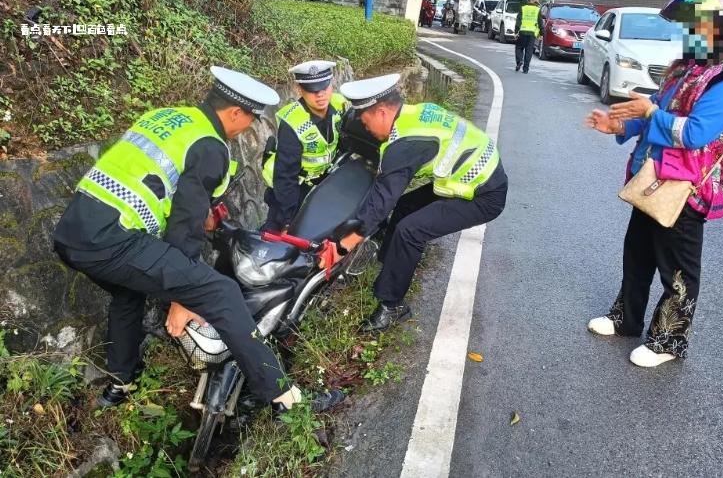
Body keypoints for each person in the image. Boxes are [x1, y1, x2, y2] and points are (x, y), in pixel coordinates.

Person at [53, 66, 344, 412]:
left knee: (127, 293)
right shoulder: (210, 145)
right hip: (111, 240)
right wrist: (183, 294)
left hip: (73, 234)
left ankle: (121, 381)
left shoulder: (166, 118)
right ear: (234, 112)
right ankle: (285, 399)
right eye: (250, 118)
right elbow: (185, 225)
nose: (247, 127)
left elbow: (167, 185)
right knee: (221, 292)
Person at [584, 0, 723, 367]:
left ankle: (667, 341)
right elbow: (657, 112)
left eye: (698, 25)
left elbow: (695, 133)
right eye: (688, 25)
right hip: (655, 176)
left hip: (688, 187)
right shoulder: (690, 65)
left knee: (677, 268)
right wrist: (620, 124)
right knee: (638, 252)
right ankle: (625, 318)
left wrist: (649, 112)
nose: (689, 32)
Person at [334, 74, 508, 332]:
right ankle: (389, 264)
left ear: (381, 112)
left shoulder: (403, 145)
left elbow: (382, 200)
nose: (364, 125)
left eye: (364, 118)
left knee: (411, 230)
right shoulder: (415, 113)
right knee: (405, 207)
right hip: (470, 178)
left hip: (483, 194)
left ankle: (391, 306)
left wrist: (346, 242)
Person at [261, 60, 349, 232]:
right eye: (312, 90)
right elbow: (286, 175)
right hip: (295, 186)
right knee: (278, 234)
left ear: (331, 85)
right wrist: (286, 221)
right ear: (299, 89)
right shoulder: (292, 122)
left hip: (326, 180)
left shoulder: (340, 105)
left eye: (324, 87)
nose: (320, 95)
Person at [514, 0, 543, 73]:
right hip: (532, 33)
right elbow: (540, 23)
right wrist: (541, 34)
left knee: (519, 48)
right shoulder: (537, 9)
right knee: (529, 51)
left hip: (522, 32)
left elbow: (518, 21)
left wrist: (516, 32)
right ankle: (525, 69)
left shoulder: (523, 8)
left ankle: (519, 61)